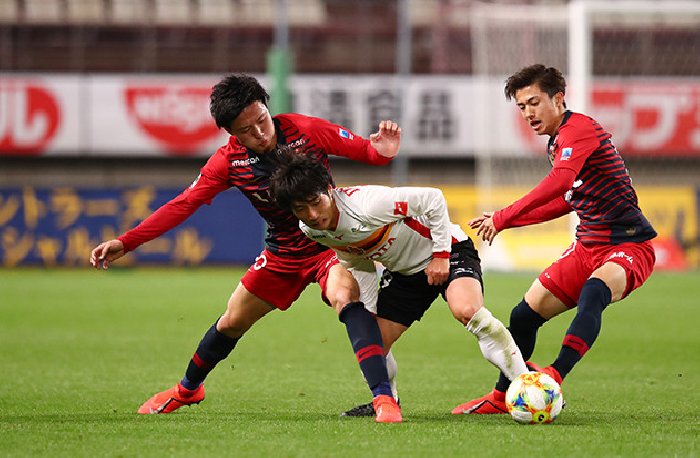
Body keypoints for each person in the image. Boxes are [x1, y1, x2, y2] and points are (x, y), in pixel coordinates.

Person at [89, 74, 404, 423]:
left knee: (346, 298)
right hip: (282, 253)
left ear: (268, 109)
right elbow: (183, 204)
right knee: (231, 321)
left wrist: (382, 152)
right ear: (230, 133)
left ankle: (383, 401)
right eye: (246, 130)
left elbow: (368, 151)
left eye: (262, 120)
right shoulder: (227, 162)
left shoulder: (306, 130)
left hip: (331, 245)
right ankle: (188, 389)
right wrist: (127, 241)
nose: (260, 133)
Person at [452, 64, 657, 415]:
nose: (528, 113)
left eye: (534, 102)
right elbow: (567, 200)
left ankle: (555, 374)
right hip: (586, 247)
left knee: (595, 292)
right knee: (523, 316)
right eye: (521, 107)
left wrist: (502, 214)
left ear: (558, 98)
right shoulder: (556, 142)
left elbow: (560, 183)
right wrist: (507, 223)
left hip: (629, 245)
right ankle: (502, 396)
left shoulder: (578, 130)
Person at [269, 152, 529, 416]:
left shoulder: (367, 204)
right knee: (373, 346)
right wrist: (369, 307)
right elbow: (356, 259)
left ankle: (528, 388)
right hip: (405, 274)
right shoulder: (311, 229)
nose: (312, 214)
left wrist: (440, 255)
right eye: (301, 208)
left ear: (329, 190)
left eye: (315, 202)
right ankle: (388, 400)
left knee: (467, 311)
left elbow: (433, 199)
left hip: (448, 250)